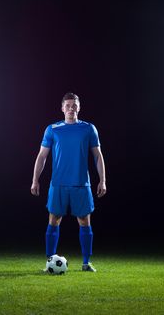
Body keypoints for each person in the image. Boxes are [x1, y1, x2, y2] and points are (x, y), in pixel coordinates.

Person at [31, 92, 107, 272]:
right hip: (58, 184)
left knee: (84, 221)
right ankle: (49, 262)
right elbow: (42, 156)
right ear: (62, 108)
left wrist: (102, 180)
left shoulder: (89, 129)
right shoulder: (52, 129)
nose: (71, 108)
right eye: (68, 105)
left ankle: (86, 263)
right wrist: (35, 180)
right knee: (54, 219)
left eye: (74, 105)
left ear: (79, 108)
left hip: (81, 183)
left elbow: (98, 156)